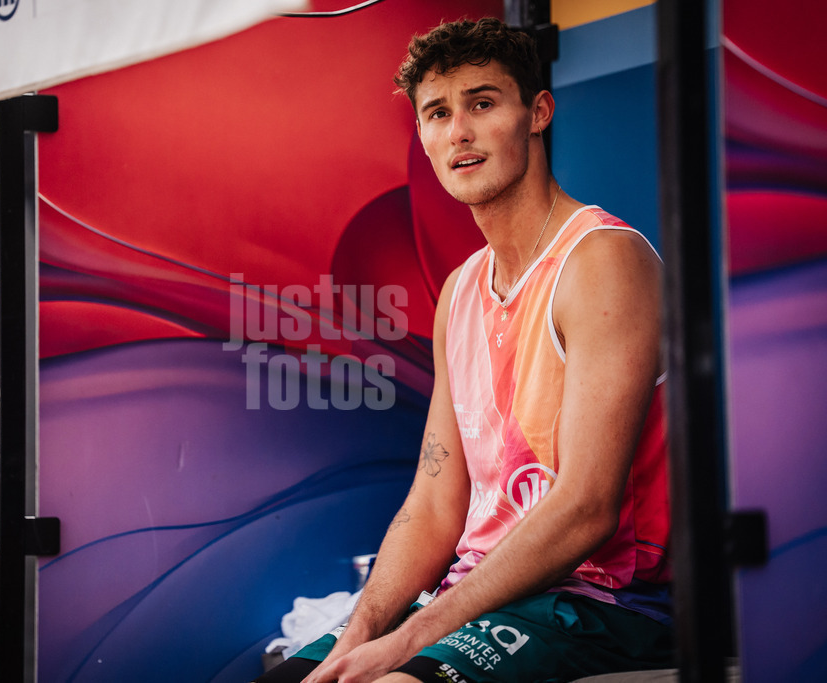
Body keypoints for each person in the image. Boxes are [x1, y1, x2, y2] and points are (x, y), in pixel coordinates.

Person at [255, 16, 672, 683]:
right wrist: (361, 628)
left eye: (482, 103)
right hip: (477, 591)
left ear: (538, 112)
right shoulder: (462, 289)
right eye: (437, 113)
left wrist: (409, 639)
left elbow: (587, 508)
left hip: (602, 602)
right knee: (290, 677)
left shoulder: (601, 260)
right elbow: (434, 500)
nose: (459, 132)